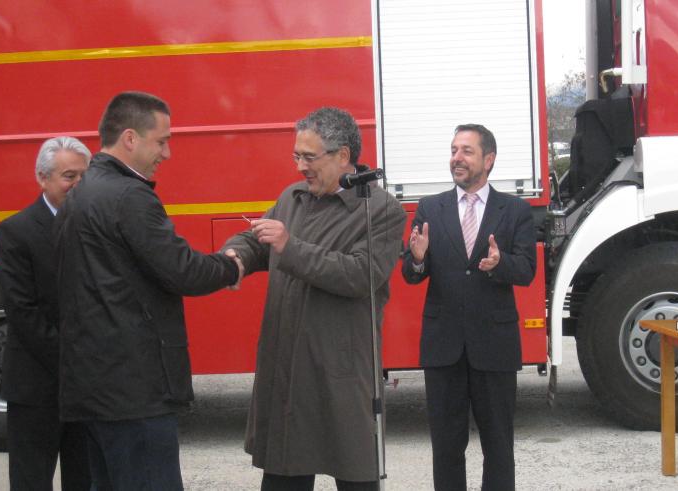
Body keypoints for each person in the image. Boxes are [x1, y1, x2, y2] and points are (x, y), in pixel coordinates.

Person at [54, 91, 243, 490]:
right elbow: (181, 271)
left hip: (93, 389)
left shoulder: (79, 195)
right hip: (134, 391)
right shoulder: (130, 196)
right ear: (130, 138)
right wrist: (234, 264)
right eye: (162, 140)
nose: (168, 152)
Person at [222, 107, 406, 491]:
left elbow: (361, 275)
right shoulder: (293, 197)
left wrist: (290, 247)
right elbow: (259, 239)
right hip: (289, 365)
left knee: (356, 472)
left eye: (309, 157)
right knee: (284, 475)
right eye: (296, 156)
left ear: (343, 155)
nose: (299, 167)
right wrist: (236, 255)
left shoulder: (379, 209)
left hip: (341, 370)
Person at [402, 124, 536, 491]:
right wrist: (417, 258)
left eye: (466, 151)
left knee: (498, 447)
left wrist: (500, 263)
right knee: (446, 447)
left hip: (493, 346)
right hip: (443, 346)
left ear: (488, 160)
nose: (456, 158)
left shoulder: (516, 210)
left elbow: (526, 271)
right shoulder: (431, 208)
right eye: (453, 150)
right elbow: (412, 274)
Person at [0, 136, 92, 491]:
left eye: (85, 176)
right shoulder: (16, 231)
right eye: (69, 176)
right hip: (36, 386)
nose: (78, 185)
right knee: (31, 480)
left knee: (85, 479)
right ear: (42, 178)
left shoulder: (97, 227)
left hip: (86, 388)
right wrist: (72, 358)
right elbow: (22, 311)